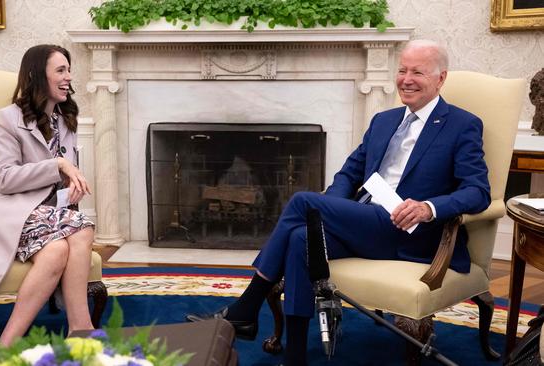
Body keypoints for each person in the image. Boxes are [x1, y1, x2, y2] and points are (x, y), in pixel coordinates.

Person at [186, 39, 491, 365]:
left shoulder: (462, 125)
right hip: (365, 220)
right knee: (302, 238)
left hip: (409, 231)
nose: (406, 79)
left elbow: (478, 191)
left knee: (304, 201)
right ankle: (296, 357)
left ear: (441, 78)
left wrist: (428, 208)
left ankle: (246, 306)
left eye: (417, 72)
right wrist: (331, 215)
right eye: (401, 70)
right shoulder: (384, 121)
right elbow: (349, 174)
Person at [0, 44, 95, 351]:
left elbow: (56, 179)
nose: (68, 77)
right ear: (38, 76)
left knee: (55, 253)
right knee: (83, 227)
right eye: (60, 70)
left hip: (47, 214)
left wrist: (68, 185)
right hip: (8, 211)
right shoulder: (7, 119)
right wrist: (58, 166)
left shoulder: (66, 118)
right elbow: (4, 177)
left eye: (68, 69)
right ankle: (82, 329)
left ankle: (5, 347)